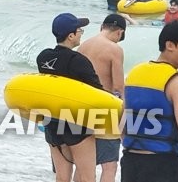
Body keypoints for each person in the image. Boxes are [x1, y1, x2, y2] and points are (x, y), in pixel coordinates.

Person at [121, 19, 178, 182]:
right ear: (170, 45)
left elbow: (122, 121)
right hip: (162, 165)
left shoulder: (135, 73)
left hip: (130, 162)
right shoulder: (177, 82)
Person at [37, 13, 101, 182]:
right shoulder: (78, 60)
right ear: (71, 36)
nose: (81, 33)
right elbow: (97, 92)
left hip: (51, 122)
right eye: (80, 30)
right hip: (76, 123)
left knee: (62, 177)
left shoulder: (43, 57)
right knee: (87, 177)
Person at [77, 14, 126, 182]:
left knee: (84, 164)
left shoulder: (83, 45)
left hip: (81, 108)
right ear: (119, 32)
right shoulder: (115, 49)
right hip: (104, 109)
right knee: (109, 165)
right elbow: (119, 87)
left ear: (101, 27)